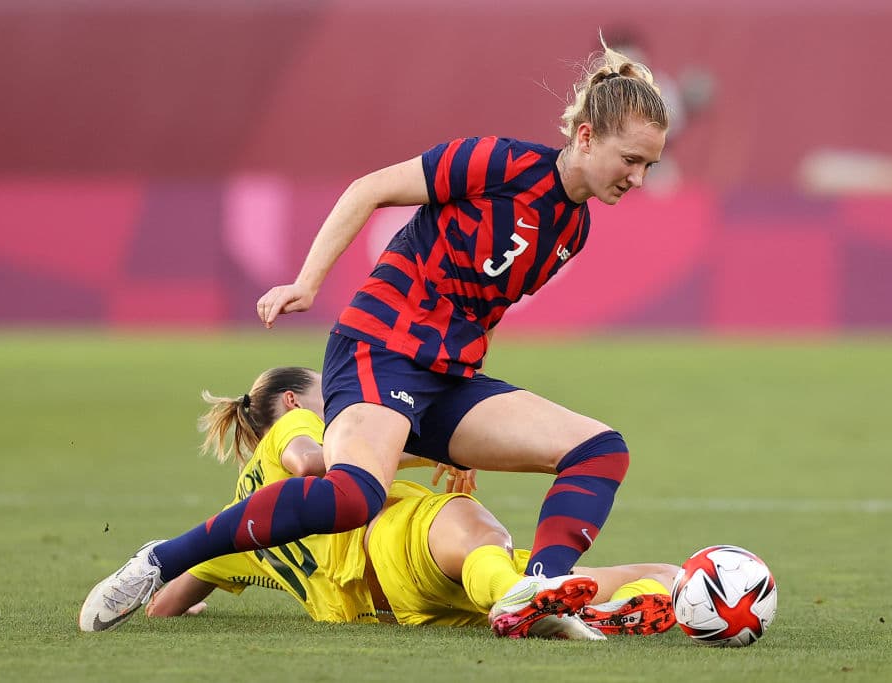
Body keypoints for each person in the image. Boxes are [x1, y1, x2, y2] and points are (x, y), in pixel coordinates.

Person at [80, 39, 670, 638]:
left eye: (649, 165)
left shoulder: (575, 227)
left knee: (600, 449)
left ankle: (538, 592)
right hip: (380, 346)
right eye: (632, 159)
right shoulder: (501, 162)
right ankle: (160, 561)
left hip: (448, 376)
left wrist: (460, 435)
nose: (639, 178)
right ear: (588, 136)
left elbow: (487, 308)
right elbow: (369, 189)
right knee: (353, 498)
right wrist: (308, 283)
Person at [138, 367, 679, 639]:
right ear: (293, 401)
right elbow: (308, 462)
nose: (347, 406)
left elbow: (164, 603)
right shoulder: (298, 425)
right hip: (387, 543)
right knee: (468, 522)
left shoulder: (240, 523)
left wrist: (192, 604)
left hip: (390, 610)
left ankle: (663, 591)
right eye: (333, 393)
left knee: (647, 576)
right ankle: (525, 600)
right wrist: (411, 453)